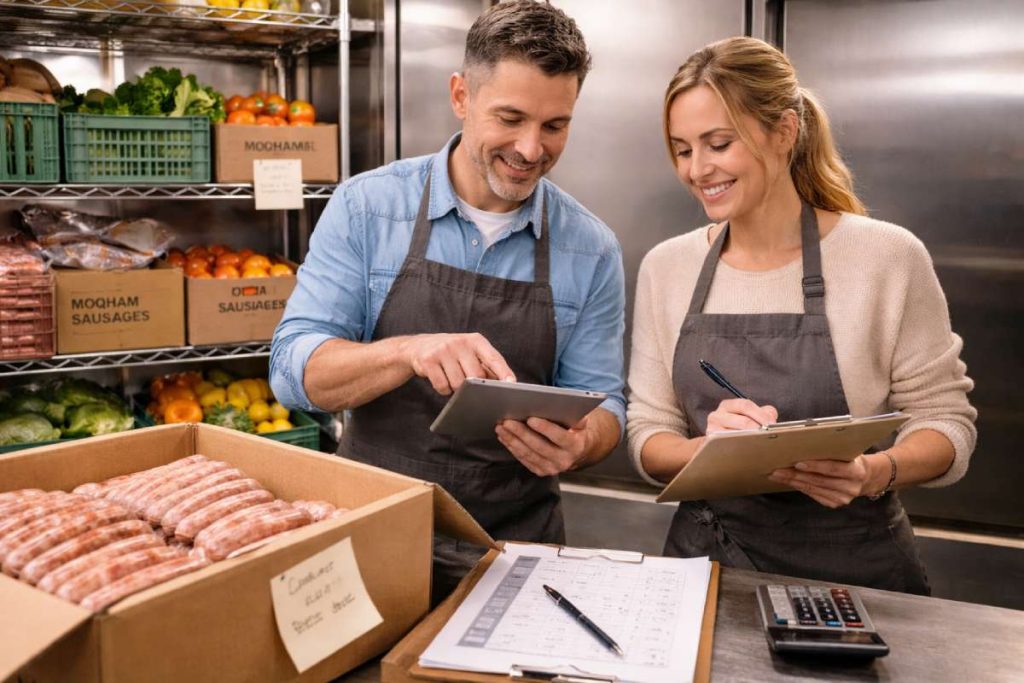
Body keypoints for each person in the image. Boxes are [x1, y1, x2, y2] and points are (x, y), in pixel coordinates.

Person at [270, 1, 625, 602]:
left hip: (513, 552)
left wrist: (582, 442)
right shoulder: (366, 208)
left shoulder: (591, 248)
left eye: (555, 125)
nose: (531, 149)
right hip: (369, 537)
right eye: (509, 118)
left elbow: (605, 401)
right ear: (461, 96)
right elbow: (292, 372)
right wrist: (407, 351)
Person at [626, 37, 976, 594]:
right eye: (683, 149)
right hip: (705, 575)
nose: (697, 169)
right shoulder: (666, 268)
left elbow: (946, 422)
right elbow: (648, 431)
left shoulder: (886, 256)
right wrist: (708, 453)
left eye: (718, 143)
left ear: (784, 131)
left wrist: (871, 474)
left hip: (858, 583)